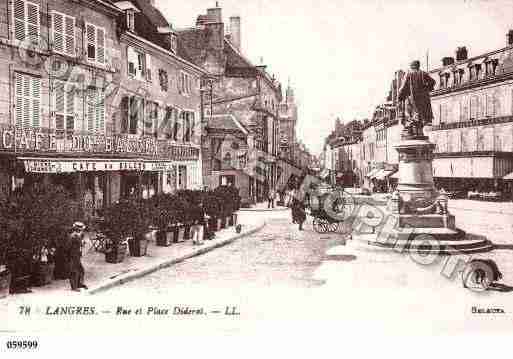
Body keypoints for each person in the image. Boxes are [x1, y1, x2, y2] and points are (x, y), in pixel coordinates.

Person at [398, 60, 436, 138]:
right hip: (422, 100)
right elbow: (433, 82)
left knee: (409, 115)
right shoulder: (423, 73)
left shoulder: (409, 74)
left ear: (412, 66)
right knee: (419, 116)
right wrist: (426, 88)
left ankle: (410, 131)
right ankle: (418, 131)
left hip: (411, 99)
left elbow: (403, 87)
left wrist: (400, 95)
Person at [68, 222, 87, 292]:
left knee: (81, 270)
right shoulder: (73, 236)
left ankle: (79, 284)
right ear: (77, 229)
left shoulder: (79, 235)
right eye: (80, 229)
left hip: (77, 255)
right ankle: (74, 287)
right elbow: (69, 247)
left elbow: (80, 243)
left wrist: (82, 243)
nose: (82, 230)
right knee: (73, 271)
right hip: (73, 255)